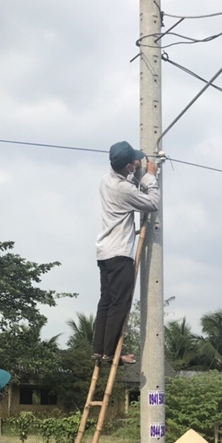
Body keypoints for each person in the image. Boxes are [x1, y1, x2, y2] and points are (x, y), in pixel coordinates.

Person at [93, 140, 160, 365]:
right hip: (120, 253)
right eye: (133, 163)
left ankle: (100, 350)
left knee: (106, 301)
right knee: (120, 304)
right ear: (127, 167)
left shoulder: (107, 180)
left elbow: (129, 184)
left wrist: (137, 171)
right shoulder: (123, 189)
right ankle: (111, 354)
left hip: (104, 252)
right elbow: (152, 202)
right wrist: (150, 176)